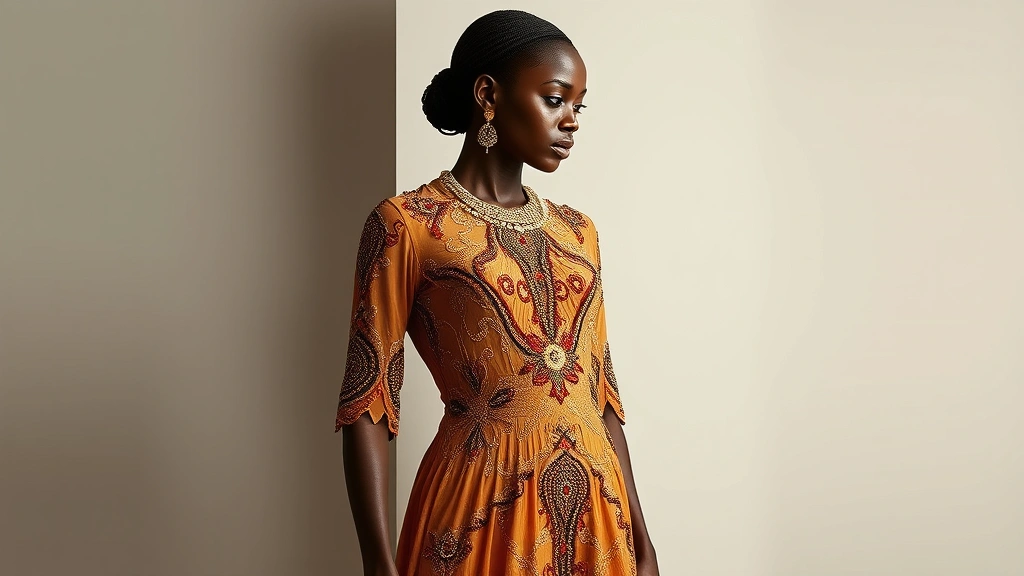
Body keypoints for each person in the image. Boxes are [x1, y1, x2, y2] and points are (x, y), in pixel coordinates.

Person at [336, 9, 659, 576]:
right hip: (480, 515)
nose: (571, 121)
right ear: (488, 95)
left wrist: (642, 537)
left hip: (599, 525)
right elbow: (368, 402)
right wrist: (377, 565)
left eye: (578, 106)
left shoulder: (578, 233)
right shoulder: (408, 226)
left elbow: (600, 396)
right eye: (555, 99)